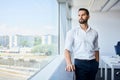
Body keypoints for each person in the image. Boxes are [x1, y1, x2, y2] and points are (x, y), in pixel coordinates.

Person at [64, 8, 99, 80]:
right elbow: (67, 49)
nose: (80, 17)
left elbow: (96, 49)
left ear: (88, 16)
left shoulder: (94, 33)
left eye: (83, 15)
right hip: (80, 63)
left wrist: (97, 63)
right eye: (79, 15)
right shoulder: (72, 32)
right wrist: (69, 63)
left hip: (93, 63)